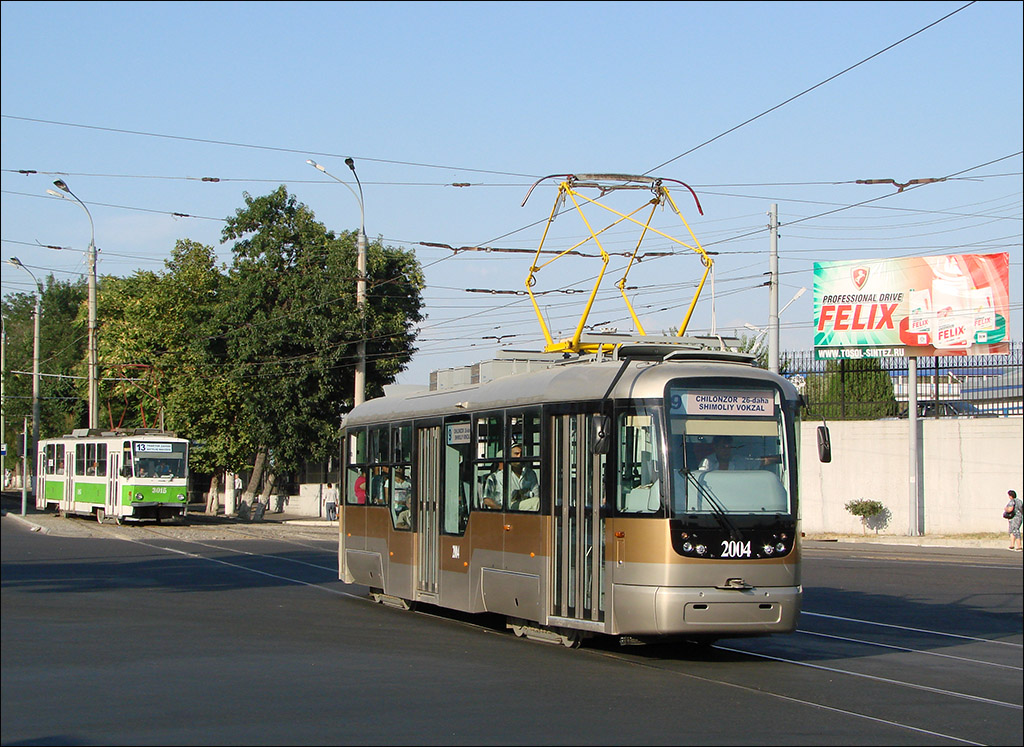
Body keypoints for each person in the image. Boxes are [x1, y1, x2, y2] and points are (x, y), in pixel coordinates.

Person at [698, 435, 778, 471]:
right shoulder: (707, 463)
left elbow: (762, 461)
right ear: (715, 447)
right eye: (723, 447)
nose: (726, 450)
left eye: (728, 447)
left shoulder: (740, 462)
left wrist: (784, 458)